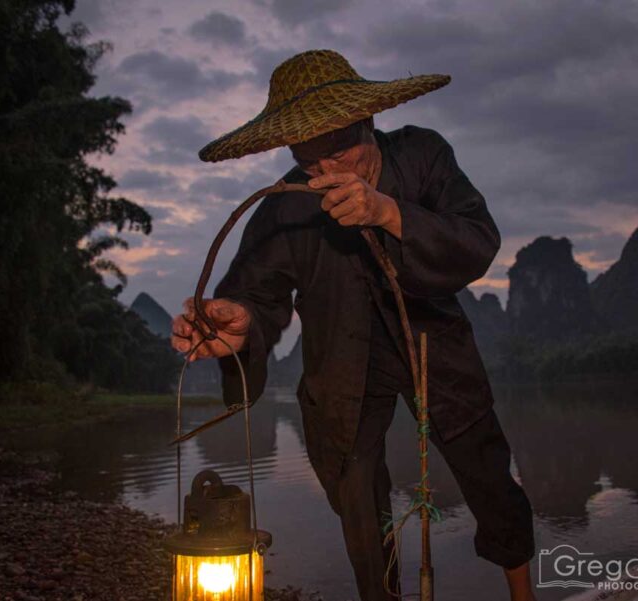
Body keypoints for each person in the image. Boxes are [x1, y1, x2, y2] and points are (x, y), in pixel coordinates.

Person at [171, 49, 537, 601]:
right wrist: (241, 321)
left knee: (486, 473)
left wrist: (388, 212)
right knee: (358, 498)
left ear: (367, 121)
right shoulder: (287, 203)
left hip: (434, 349)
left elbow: (477, 238)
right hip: (342, 366)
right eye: (309, 159)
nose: (327, 173)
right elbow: (255, 291)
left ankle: (522, 592)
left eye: (339, 149)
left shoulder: (423, 156)